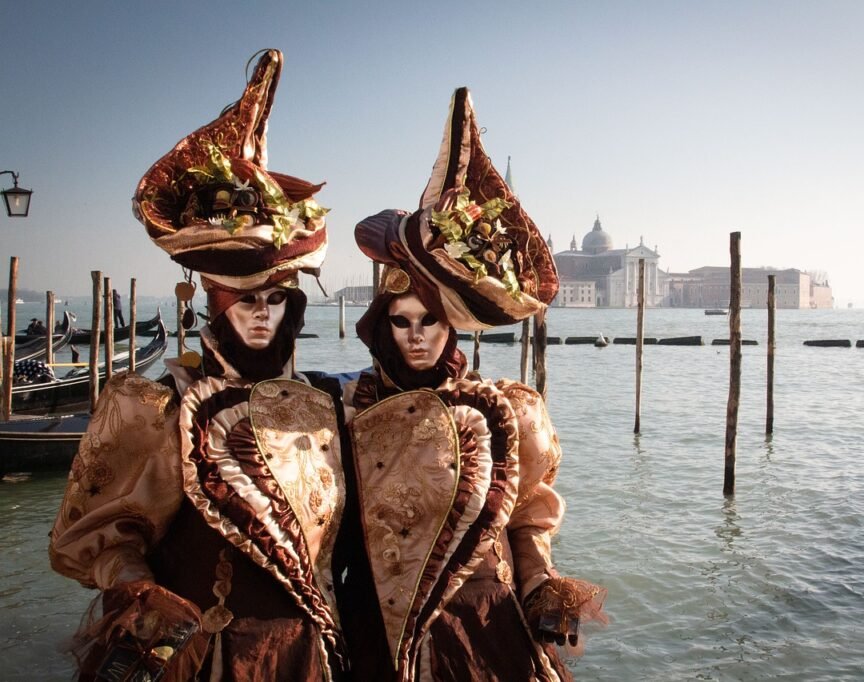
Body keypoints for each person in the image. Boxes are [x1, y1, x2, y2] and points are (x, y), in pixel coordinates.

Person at [49, 49, 347, 681]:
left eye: (275, 300)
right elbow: (103, 536)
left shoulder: (322, 408)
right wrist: (139, 590)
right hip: (206, 658)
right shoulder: (160, 406)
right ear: (211, 299)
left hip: (304, 655)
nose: (260, 315)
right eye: (244, 300)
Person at [336, 87, 605, 681]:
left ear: (451, 326)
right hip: (373, 635)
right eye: (400, 322)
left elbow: (528, 517)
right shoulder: (342, 412)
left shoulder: (504, 414)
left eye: (429, 321)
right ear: (380, 326)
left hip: (485, 629)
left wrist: (537, 582)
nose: (415, 337)